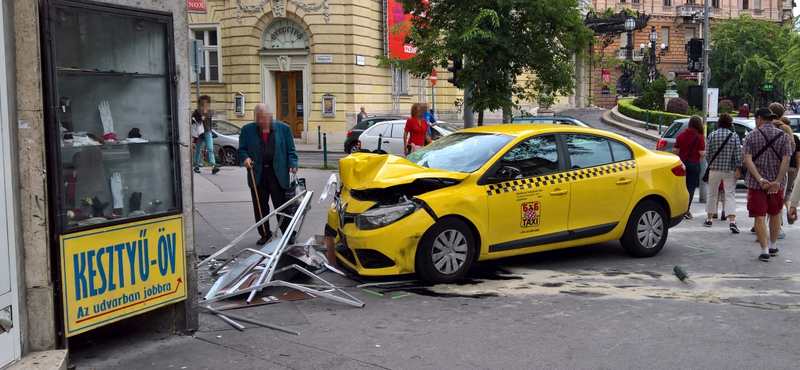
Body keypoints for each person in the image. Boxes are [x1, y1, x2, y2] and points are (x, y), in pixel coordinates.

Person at [238, 103, 299, 245]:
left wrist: (293, 164)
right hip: (257, 173)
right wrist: (245, 158)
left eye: (263, 118)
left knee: (282, 206)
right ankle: (265, 234)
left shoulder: (284, 128)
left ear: (270, 117)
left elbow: (291, 150)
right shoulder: (247, 130)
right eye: (257, 118)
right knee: (260, 206)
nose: (260, 121)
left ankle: (288, 233)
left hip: (278, 173)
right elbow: (241, 150)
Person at [742, 107, 793, 262]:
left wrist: (760, 179)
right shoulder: (784, 137)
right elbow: (787, 160)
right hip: (778, 185)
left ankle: (764, 250)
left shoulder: (751, 136)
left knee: (759, 215)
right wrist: (777, 181)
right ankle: (773, 244)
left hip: (757, 184)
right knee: (775, 213)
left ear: (758, 119)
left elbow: (747, 159)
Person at [702, 113, 743, 233]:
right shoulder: (734, 136)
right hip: (729, 170)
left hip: (714, 169)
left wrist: (712, 164)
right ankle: (732, 221)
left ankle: (709, 219)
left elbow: (707, 154)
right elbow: (738, 155)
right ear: (730, 123)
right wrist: (737, 169)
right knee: (730, 195)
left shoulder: (712, 135)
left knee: (712, 193)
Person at [672, 115, 706, 219]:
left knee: (682, 187)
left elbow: (674, 150)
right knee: (691, 188)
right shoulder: (700, 137)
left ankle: (679, 209)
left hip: (682, 164)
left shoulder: (682, 135)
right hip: (695, 164)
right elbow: (702, 153)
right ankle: (687, 210)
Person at [193, 95, 220, 174]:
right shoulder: (197, 111)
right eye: (203, 102)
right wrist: (199, 119)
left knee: (210, 149)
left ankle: (213, 166)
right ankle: (196, 166)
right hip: (199, 133)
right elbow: (192, 121)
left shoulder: (209, 112)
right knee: (198, 150)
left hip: (207, 132)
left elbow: (210, 123)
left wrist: (211, 131)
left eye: (206, 102)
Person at [781, 117, 800, 225]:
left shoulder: (778, 136)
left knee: (779, 192)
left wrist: (795, 204)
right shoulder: (795, 138)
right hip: (792, 166)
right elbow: (798, 156)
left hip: (780, 167)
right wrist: (798, 169)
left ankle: (778, 219)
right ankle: (788, 210)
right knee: (788, 191)